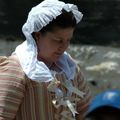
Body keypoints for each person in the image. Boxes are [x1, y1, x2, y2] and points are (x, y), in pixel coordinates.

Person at [0, 0, 91, 119]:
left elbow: (86, 111)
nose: (64, 47)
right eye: (58, 40)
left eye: (68, 40)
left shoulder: (69, 68)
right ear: (37, 35)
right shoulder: (17, 69)